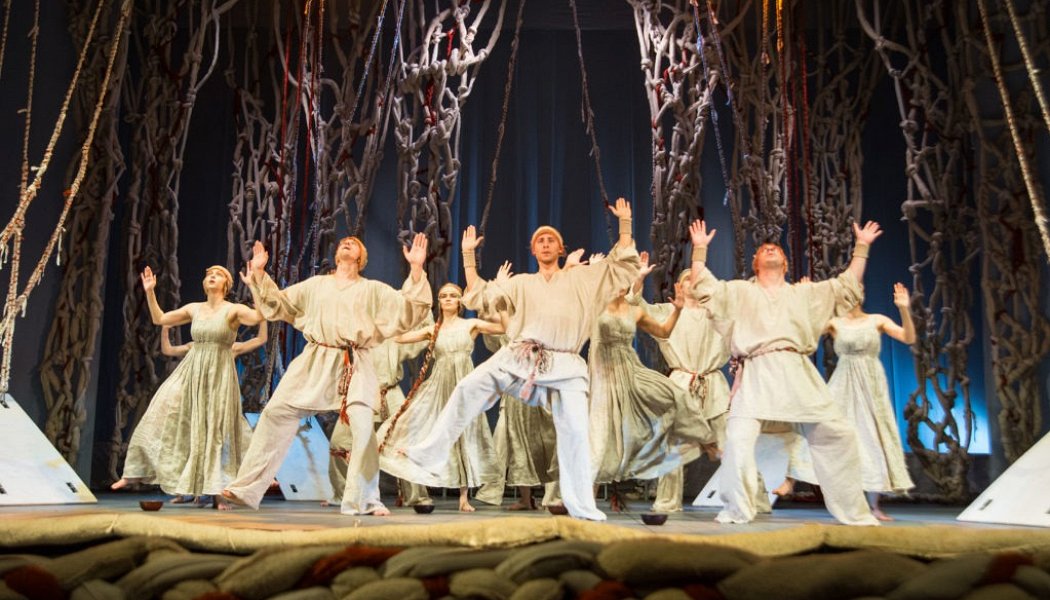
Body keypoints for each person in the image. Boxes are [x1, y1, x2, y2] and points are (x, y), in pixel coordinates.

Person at [390, 198, 640, 521]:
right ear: (533, 251)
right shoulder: (521, 283)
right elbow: (481, 294)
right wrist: (468, 256)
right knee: (469, 386)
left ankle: (582, 505)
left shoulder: (583, 278)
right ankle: (429, 453)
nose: (545, 244)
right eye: (540, 241)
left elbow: (622, 268)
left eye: (550, 240)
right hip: (521, 356)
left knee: (577, 432)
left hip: (566, 364)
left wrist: (625, 223)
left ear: (561, 249)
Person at [688, 219, 882, 526]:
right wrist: (699, 249)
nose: (770, 249)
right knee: (737, 440)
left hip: (796, 370)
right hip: (757, 370)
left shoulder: (804, 294)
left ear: (786, 263)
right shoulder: (740, 291)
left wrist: (862, 246)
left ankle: (854, 512)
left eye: (775, 248)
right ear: (755, 263)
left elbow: (845, 287)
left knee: (838, 435)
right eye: (764, 249)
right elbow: (705, 287)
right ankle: (737, 509)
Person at [221, 234, 432, 516]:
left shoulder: (372, 290)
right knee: (276, 413)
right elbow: (279, 304)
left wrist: (416, 268)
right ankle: (246, 488)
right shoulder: (316, 285)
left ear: (361, 257)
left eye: (353, 242)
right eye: (343, 241)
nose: (347, 243)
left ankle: (364, 500)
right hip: (316, 358)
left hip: (355, 363)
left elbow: (408, 311)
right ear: (336, 255)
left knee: (363, 430)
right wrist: (259, 273)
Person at [112, 266, 264, 510]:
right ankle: (135, 472)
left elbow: (257, 318)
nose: (212, 276)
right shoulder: (194, 308)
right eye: (209, 274)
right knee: (162, 411)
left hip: (218, 374)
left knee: (214, 429)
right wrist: (150, 292)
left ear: (226, 285)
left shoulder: (233, 309)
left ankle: (217, 493)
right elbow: (160, 319)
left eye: (218, 275)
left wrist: (254, 285)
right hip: (191, 371)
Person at [589, 262, 713, 511]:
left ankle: (701, 439)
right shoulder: (594, 305)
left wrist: (677, 310)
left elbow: (664, 331)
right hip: (604, 375)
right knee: (600, 438)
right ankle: (585, 499)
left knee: (674, 394)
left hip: (630, 370)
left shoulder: (633, 310)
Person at [377, 283, 503, 511]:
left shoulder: (471, 324)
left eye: (453, 295)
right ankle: (422, 478)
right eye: (443, 296)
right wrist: (391, 315)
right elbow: (399, 338)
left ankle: (464, 498)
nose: (447, 299)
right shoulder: (432, 330)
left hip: (464, 385)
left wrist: (499, 296)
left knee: (464, 434)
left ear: (460, 301)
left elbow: (503, 327)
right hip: (440, 386)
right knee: (430, 429)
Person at [626, 253, 729, 512]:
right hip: (681, 384)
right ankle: (668, 500)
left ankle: (752, 498)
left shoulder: (717, 314)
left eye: (696, 279)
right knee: (672, 446)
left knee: (732, 443)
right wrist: (639, 278)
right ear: (678, 287)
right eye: (687, 279)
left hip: (713, 385)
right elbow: (636, 306)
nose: (692, 283)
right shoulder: (667, 312)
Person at [826, 282, 916, 520]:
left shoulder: (877, 320)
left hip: (870, 381)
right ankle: (840, 500)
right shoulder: (834, 323)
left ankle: (874, 505)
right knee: (834, 433)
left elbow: (908, 337)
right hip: (843, 381)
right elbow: (805, 332)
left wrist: (904, 309)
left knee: (872, 437)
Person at [326, 316, 433, 508]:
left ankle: (415, 496)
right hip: (360, 395)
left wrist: (425, 313)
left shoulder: (392, 336)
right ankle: (342, 494)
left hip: (389, 393)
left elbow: (420, 338)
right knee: (339, 444)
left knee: (404, 444)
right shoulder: (352, 339)